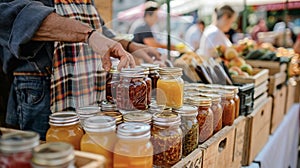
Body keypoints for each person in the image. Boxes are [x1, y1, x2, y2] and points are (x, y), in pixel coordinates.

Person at [0, 0, 160, 140]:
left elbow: (99, 29)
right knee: (51, 155)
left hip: (89, 88)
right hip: (44, 88)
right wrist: (88, 35)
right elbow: (9, 16)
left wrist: (130, 45)